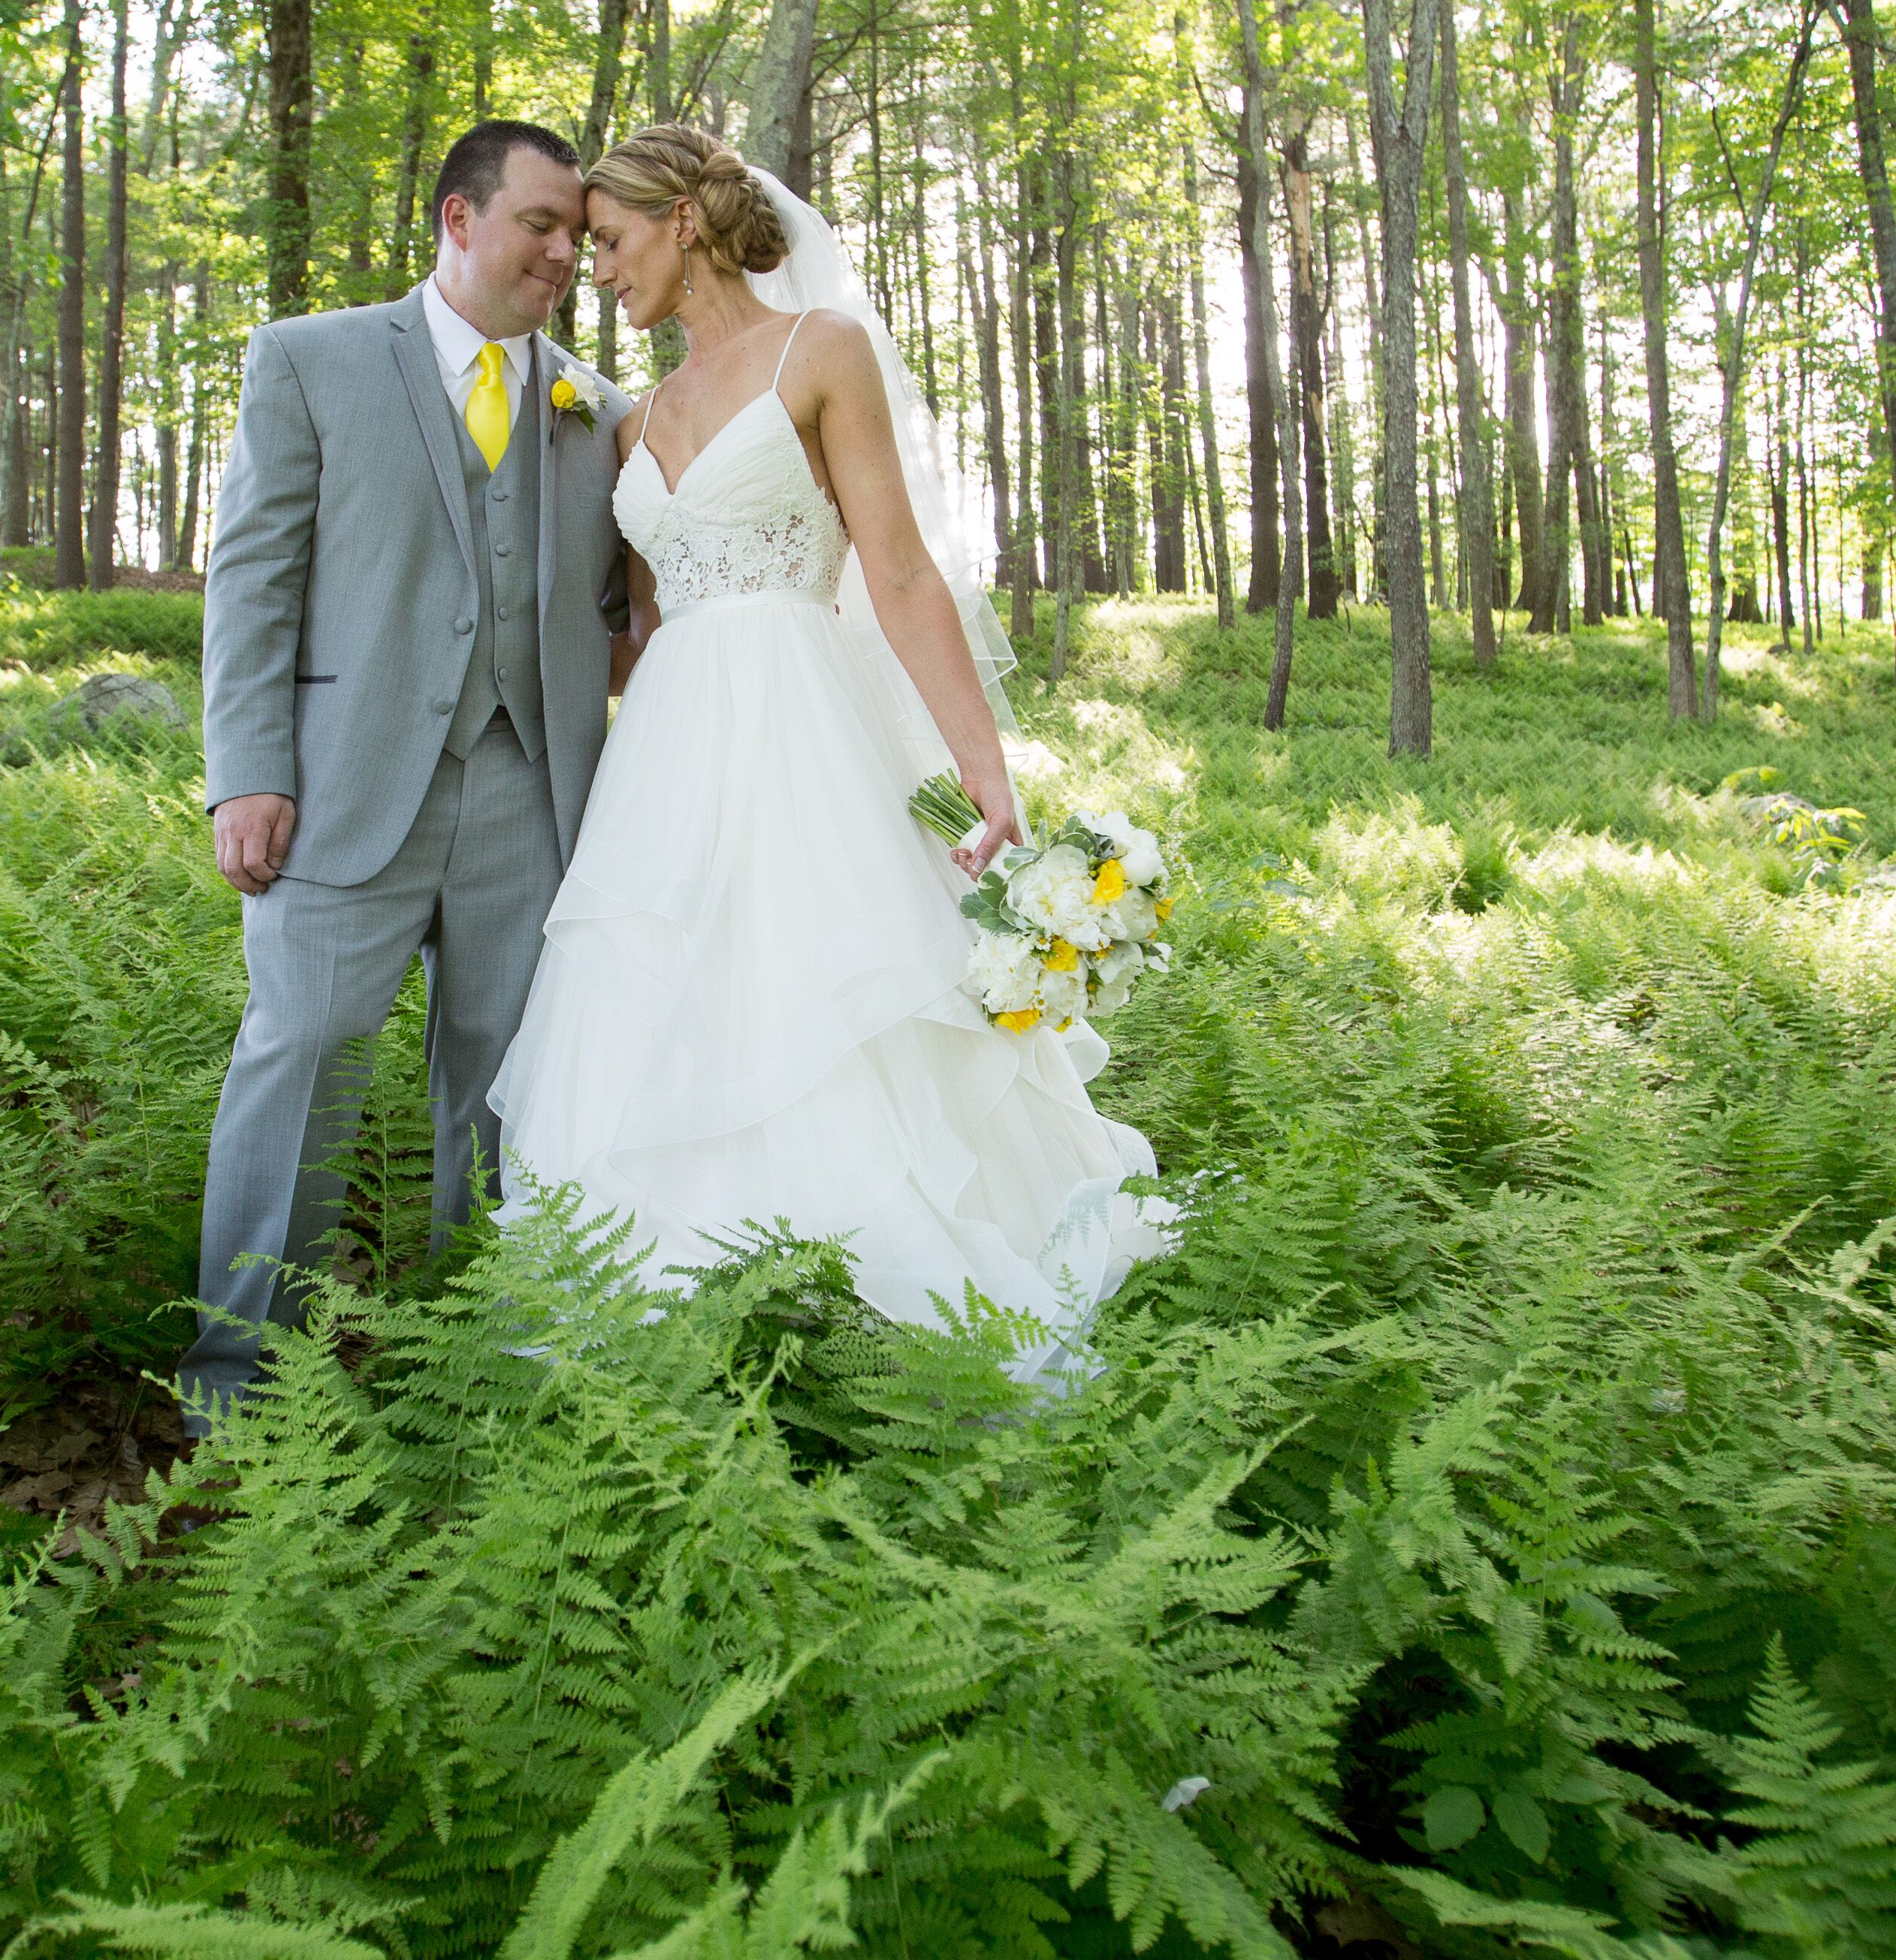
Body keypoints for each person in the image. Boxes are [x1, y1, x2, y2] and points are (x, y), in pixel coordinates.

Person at [486, 122, 1172, 1342]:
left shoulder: (823, 351)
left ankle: (874, 1304)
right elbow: (639, 628)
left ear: (683, 223)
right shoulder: (631, 424)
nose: (594, 271)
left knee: (831, 990)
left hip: (802, 724)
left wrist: (983, 770)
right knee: (651, 999)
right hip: (669, 755)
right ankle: (683, 1301)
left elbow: (901, 574)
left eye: (608, 241)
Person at [180, 120, 636, 1444]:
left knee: (504, 1079)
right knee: (304, 1052)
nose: (566, 252)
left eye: (578, 234)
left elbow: (617, 607)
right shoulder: (311, 360)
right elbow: (253, 580)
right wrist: (248, 771)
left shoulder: (596, 409)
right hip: (340, 785)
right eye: (543, 223)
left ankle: (477, 1363)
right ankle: (238, 1389)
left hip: (528, 792)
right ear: (458, 217)